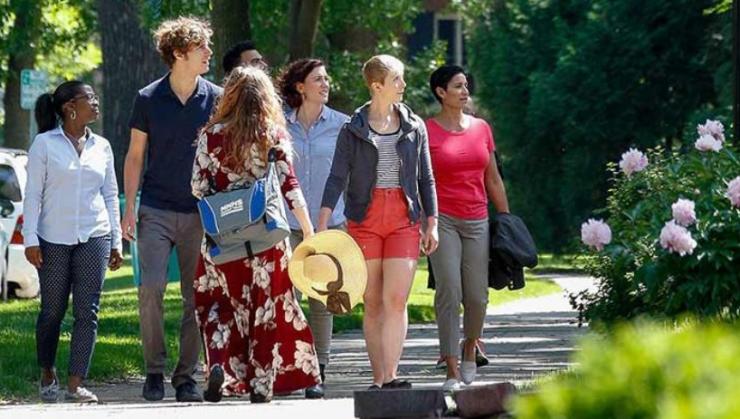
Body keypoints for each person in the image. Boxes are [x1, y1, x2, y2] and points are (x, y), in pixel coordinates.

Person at [191, 66, 321, 404]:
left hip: (222, 240)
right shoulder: (272, 133)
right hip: (267, 239)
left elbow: (197, 188)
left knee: (216, 304)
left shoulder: (211, 135)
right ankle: (262, 383)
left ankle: (219, 363)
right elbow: (289, 184)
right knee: (267, 307)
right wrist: (307, 229)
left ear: (229, 96)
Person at [319, 54, 438, 390]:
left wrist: (433, 221)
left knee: (396, 299)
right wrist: (324, 219)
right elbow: (336, 176)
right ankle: (378, 377)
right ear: (377, 86)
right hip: (365, 218)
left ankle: (392, 375)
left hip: (404, 217)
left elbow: (426, 178)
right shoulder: (352, 129)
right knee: (372, 300)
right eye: (397, 79)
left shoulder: (415, 126)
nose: (403, 85)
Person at [121, 17, 222, 403]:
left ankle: (186, 377)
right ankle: (153, 371)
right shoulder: (148, 98)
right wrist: (129, 208)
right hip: (157, 208)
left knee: (195, 295)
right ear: (179, 54)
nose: (208, 53)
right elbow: (134, 157)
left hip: (202, 211)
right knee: (150, 288)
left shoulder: (216, 97)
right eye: (201, 48)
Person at [24, 81, 123, 403]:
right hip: (52, 239)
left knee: (87, 312)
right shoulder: (44, 144)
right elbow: (32, 195)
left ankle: (75, 383)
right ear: (69, 108)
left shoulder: (103, 147)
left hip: (94, 235)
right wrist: (30, 239)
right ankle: (47, 371)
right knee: (52, 311)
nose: (96, 103)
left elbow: (110, 195)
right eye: (89, 98)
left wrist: (115, 241)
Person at [426, 65, 510, 391]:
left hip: (478, 219)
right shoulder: (426, 131)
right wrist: (425, 220)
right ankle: (449, 367)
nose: (465, 92)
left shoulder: (481, 128)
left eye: (466, 87)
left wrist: (505, 221)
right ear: (440, 92)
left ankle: (470, 347)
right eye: (458, 86)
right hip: (442, 219)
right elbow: (422, 179)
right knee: (450, 289)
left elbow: (493, 178)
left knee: (477, 296)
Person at [277, 58, 349, 399]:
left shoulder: (343, 126)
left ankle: (318, 370)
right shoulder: (279, 126)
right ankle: (292, 364)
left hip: (328, 224)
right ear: (300, 87)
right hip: (286, 224)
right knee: (288, 298)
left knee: (322, 298)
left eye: (326, 78)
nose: (325, 84)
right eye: (317, 79)